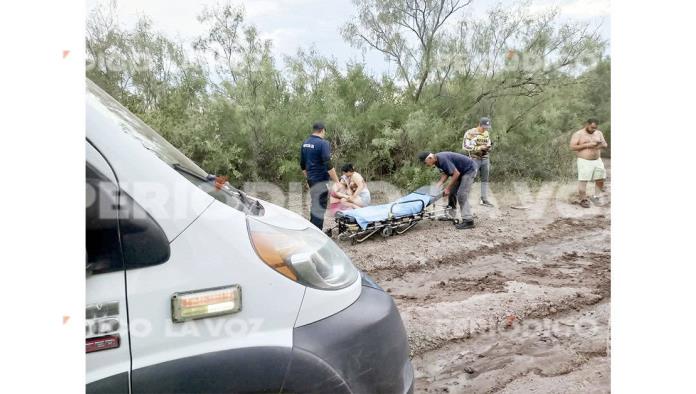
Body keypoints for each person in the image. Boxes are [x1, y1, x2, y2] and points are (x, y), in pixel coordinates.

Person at [417, 151, 478, 230]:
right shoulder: (437, 161)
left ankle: (468, 221)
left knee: (461, 194)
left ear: (430, 158)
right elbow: (445, 174)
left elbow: (456, 173)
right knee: (452, 193)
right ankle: (451, 215)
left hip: (469, 170)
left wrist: (447, 188)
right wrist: (438, 185)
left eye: (425, 163)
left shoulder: (442, 159)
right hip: (461, 171)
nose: (426, 165)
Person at [300, 122, 340, 229]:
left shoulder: (305, 143)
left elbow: (302, 165)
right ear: (322, 130)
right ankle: (317, 233)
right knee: (319, 206)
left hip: (311, 180)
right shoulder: (323, 143)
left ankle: (313, 229)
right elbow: (328, 163)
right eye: (324, 132)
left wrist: (309, 179)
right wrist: (337, 181)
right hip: (320, 181)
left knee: (315, 204)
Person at [569, 118, 608, 208]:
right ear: (587, 124)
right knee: (583, 180)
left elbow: (605, 144)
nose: (593, 129)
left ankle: (596, 197)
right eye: (592, 127)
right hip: (584, 161)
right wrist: (588, 145)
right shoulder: (578, 134)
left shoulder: (599, 133)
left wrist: (600, 145)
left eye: (595, 128)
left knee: (600, 179)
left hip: (597, 160)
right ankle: (583, 199)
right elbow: (572, 147)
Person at [463, 116, 494, 207]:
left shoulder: (486, 133)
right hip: (474, 159)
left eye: (487, 127)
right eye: (484, 127)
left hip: (485, 159)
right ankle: (465, 200)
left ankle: (484, 199)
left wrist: (489, 148)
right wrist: (479, 148)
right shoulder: (470, 133)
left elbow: (488, 143)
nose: (485, 129)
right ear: (479, 125)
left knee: (485, 180)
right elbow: (465, 146)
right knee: (470, 179)